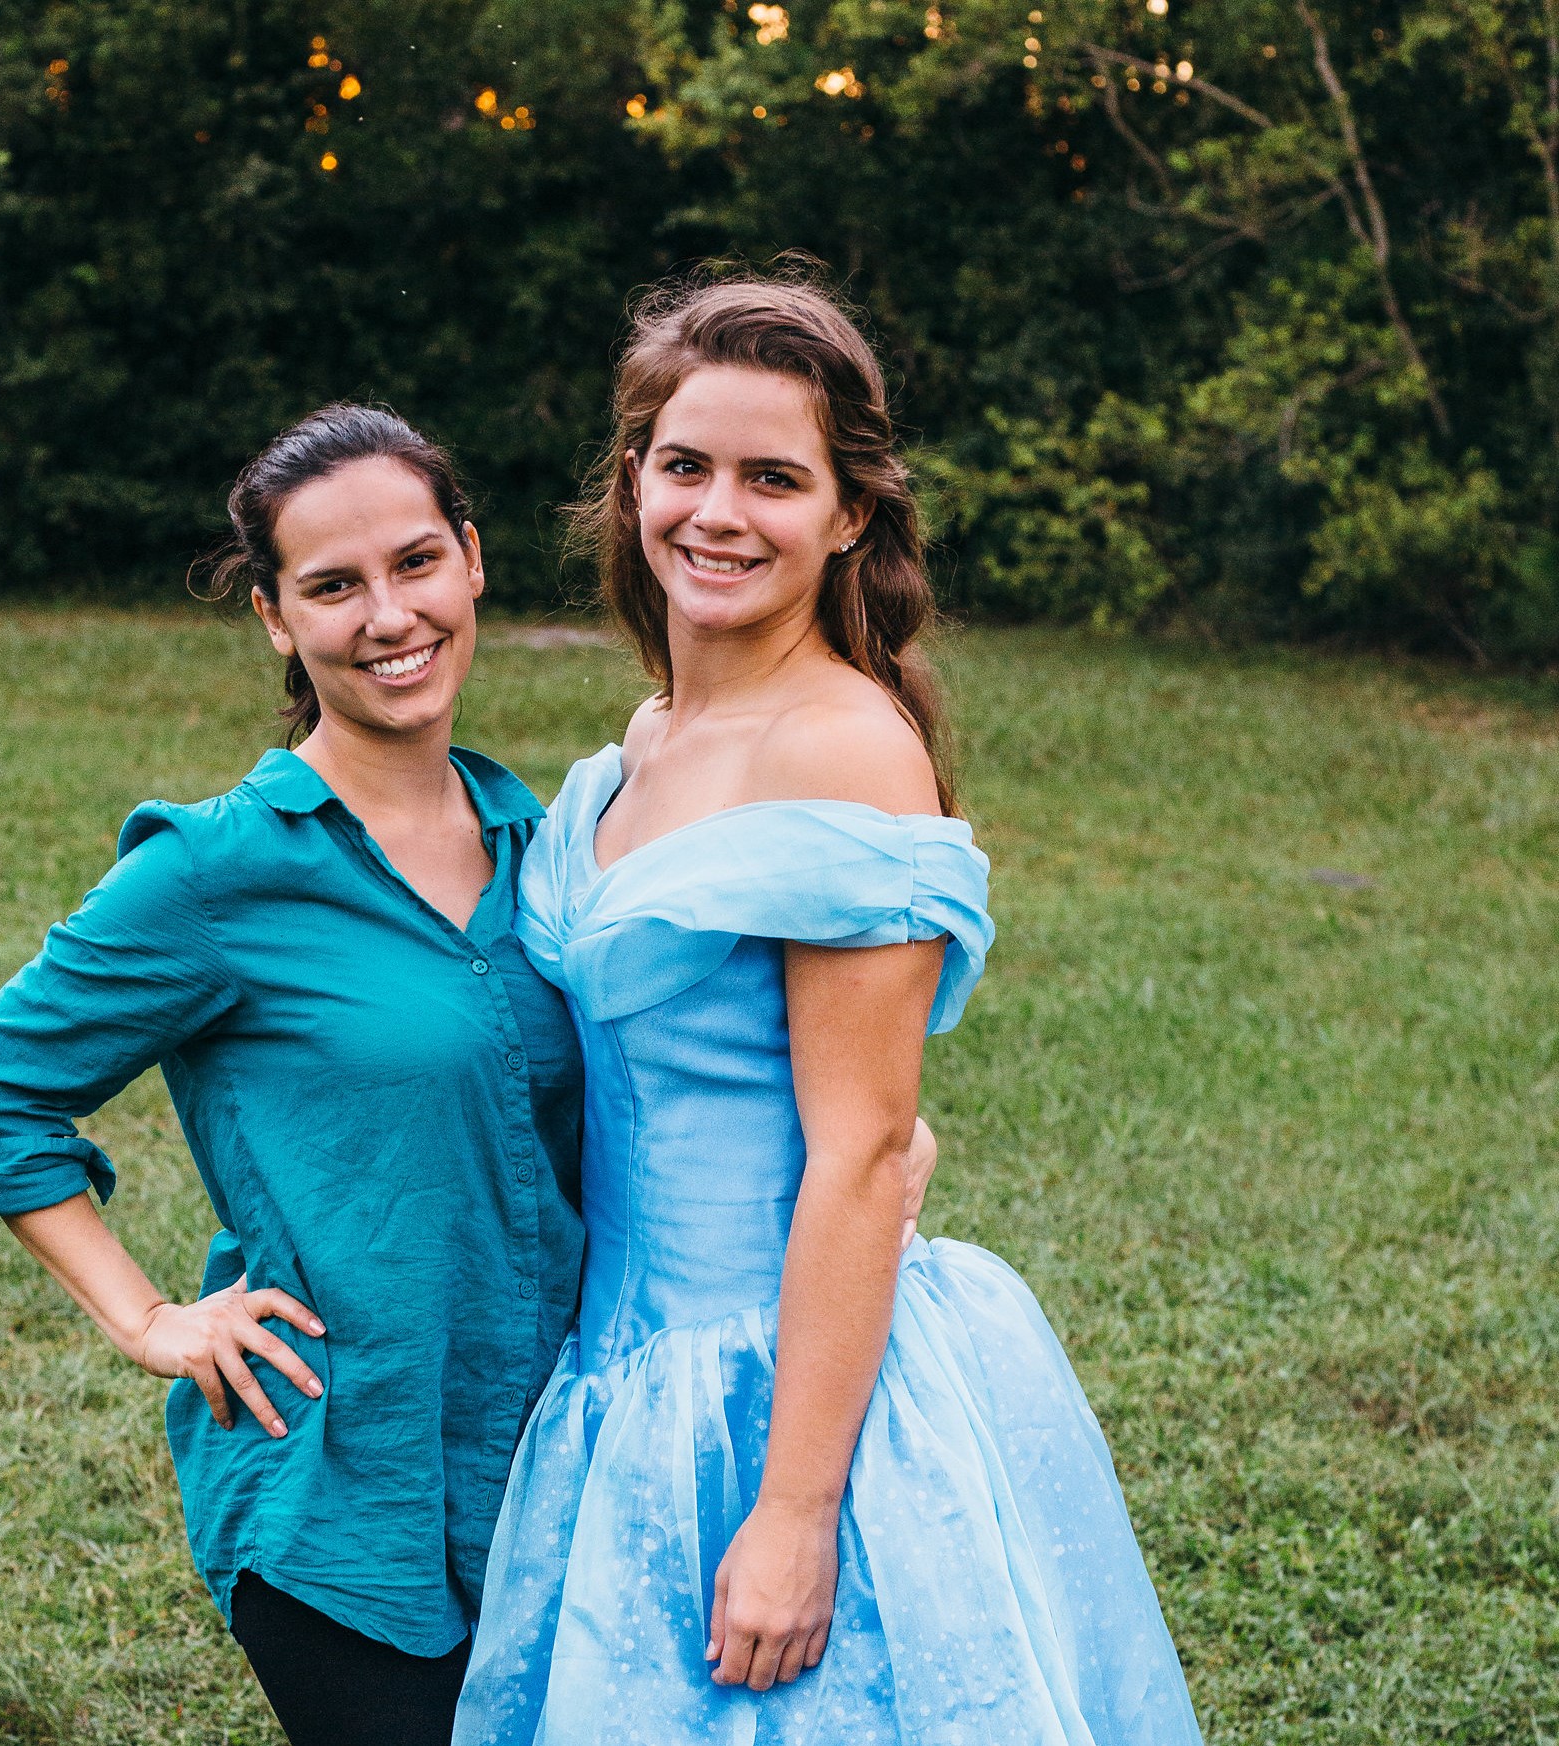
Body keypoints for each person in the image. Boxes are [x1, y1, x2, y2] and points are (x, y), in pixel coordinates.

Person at [454, 275, 1205, 1743]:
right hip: (622, 1374)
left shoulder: (849, 750)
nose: (717, 512)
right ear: (633, 482)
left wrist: (797, 1512)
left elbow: (863, 1151)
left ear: (848, 513)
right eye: (685, 467)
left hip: (783, 1388)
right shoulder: (642, 746)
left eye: (773, 478)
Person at [0, 406, 592, 1746]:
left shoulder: (556, 843)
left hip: (562, 1471)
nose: (386, 613)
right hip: (342, 1487)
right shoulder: (218, 871)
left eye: (415, 563)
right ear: (277, 620)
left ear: (472, 561)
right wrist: (150, 1319)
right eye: (333, 586)